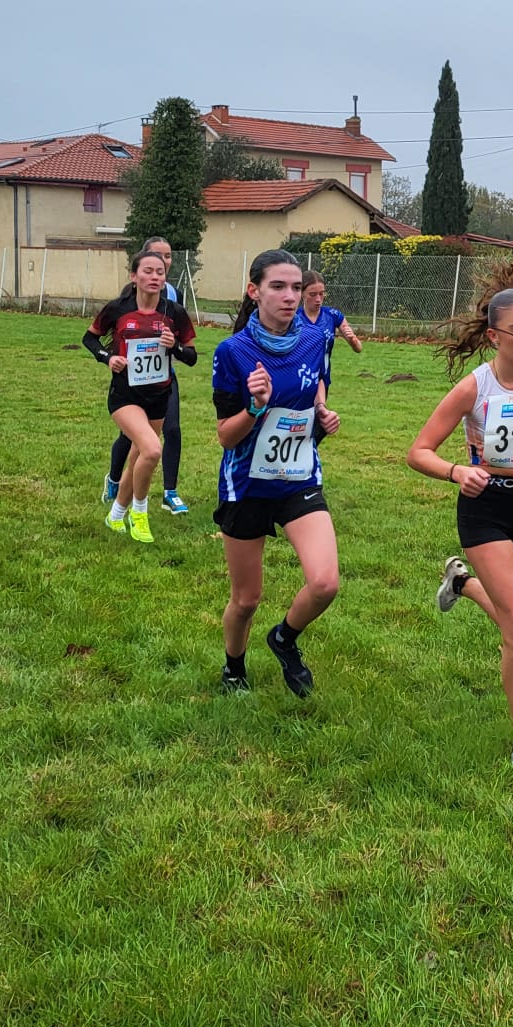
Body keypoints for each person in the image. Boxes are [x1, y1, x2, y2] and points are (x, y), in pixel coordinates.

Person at [407, 261, 513, 769]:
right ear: (494, 337)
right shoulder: (474, 388)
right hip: (485, 507)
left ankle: (461, 585)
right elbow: (418, 451)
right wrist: (456, 472)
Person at [211, 250, 341, 696]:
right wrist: (255, 407)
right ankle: (234, 667)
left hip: (298, 477)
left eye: (296, 288)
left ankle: (284, 638)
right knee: (246, 599)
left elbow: (315, 384)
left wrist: (321, 413)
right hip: (247, 484)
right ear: (255, 291)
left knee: (325, 583)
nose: (290, 296)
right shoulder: (233, 352)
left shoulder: (314, 339)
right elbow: (226, 437)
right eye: (278, 287)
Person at [83, 249, 198, 544]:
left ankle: (115, 515)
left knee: (138, 457)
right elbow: (89, 338)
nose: (155, 277)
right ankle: (140, 512)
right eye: (148, 271)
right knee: (152, 450)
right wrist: (108, 357)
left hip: (159, 396)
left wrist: (174, 347)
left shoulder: (174, 312)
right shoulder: (118, 309)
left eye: (160, 272)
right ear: (134, 276)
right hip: (125, 395)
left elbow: (191, 357)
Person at [102, 235, 191, 514]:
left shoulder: (174, 299)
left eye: (167, 258)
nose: (162, 263)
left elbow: (188, 349)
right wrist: (111, 358)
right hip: (130, 385)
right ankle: (115, 483)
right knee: (133, 441)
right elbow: (103, 335)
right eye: (156, 257)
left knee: (171, 431)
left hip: (163, 380)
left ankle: (169, 492)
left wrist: (173, 346)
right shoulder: (126, 301)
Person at [301, 269, 363, 439]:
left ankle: (308, 450)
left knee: (319, 422)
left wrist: (352, 340)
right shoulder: (294, 318)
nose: (318, 299)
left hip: (323, 378)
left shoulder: (332, 315)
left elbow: (358, 348)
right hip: (302, 376)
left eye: (321, 294)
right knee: (304, 421)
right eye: (313, 294)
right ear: (302, 293)